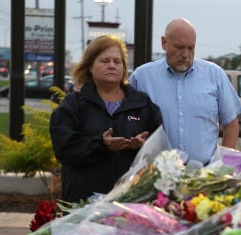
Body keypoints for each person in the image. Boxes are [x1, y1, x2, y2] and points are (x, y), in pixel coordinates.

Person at [50, 35, 163, 203]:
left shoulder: (142, 104)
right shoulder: (74, 104)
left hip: (130, 202)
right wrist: (101, 144)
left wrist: (142, 146)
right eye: (105, 61)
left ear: (124, 68)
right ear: (89, 67)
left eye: (117, 62)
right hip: (83, 203)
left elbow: (160, 146)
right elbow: (64, 148)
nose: (112, 66)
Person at [130, 18, 241, 166]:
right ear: (164, 43)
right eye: (179, 47)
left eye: (191, 48)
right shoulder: (142, 78)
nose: (185, 54)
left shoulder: (214, 75)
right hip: (155, 178)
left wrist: (223, 167)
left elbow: (231, 124)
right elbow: (127, 119)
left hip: (204, 177)